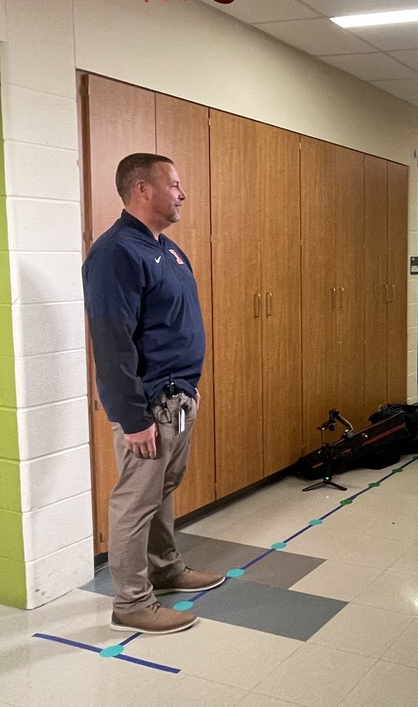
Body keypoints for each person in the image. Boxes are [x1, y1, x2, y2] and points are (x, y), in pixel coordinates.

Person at [83, 153, 224, 634]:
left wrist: (191, 386)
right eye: (175, 184)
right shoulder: (116, 253)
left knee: (162, 488)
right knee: (135, 499)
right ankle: (131, 603)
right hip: (148, 405)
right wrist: (134, 416)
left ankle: (164, 569)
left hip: (178, 397)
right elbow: (112, 339)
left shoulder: (168, 249)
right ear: (143, 189)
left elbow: (173, 326)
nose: (182, 194)